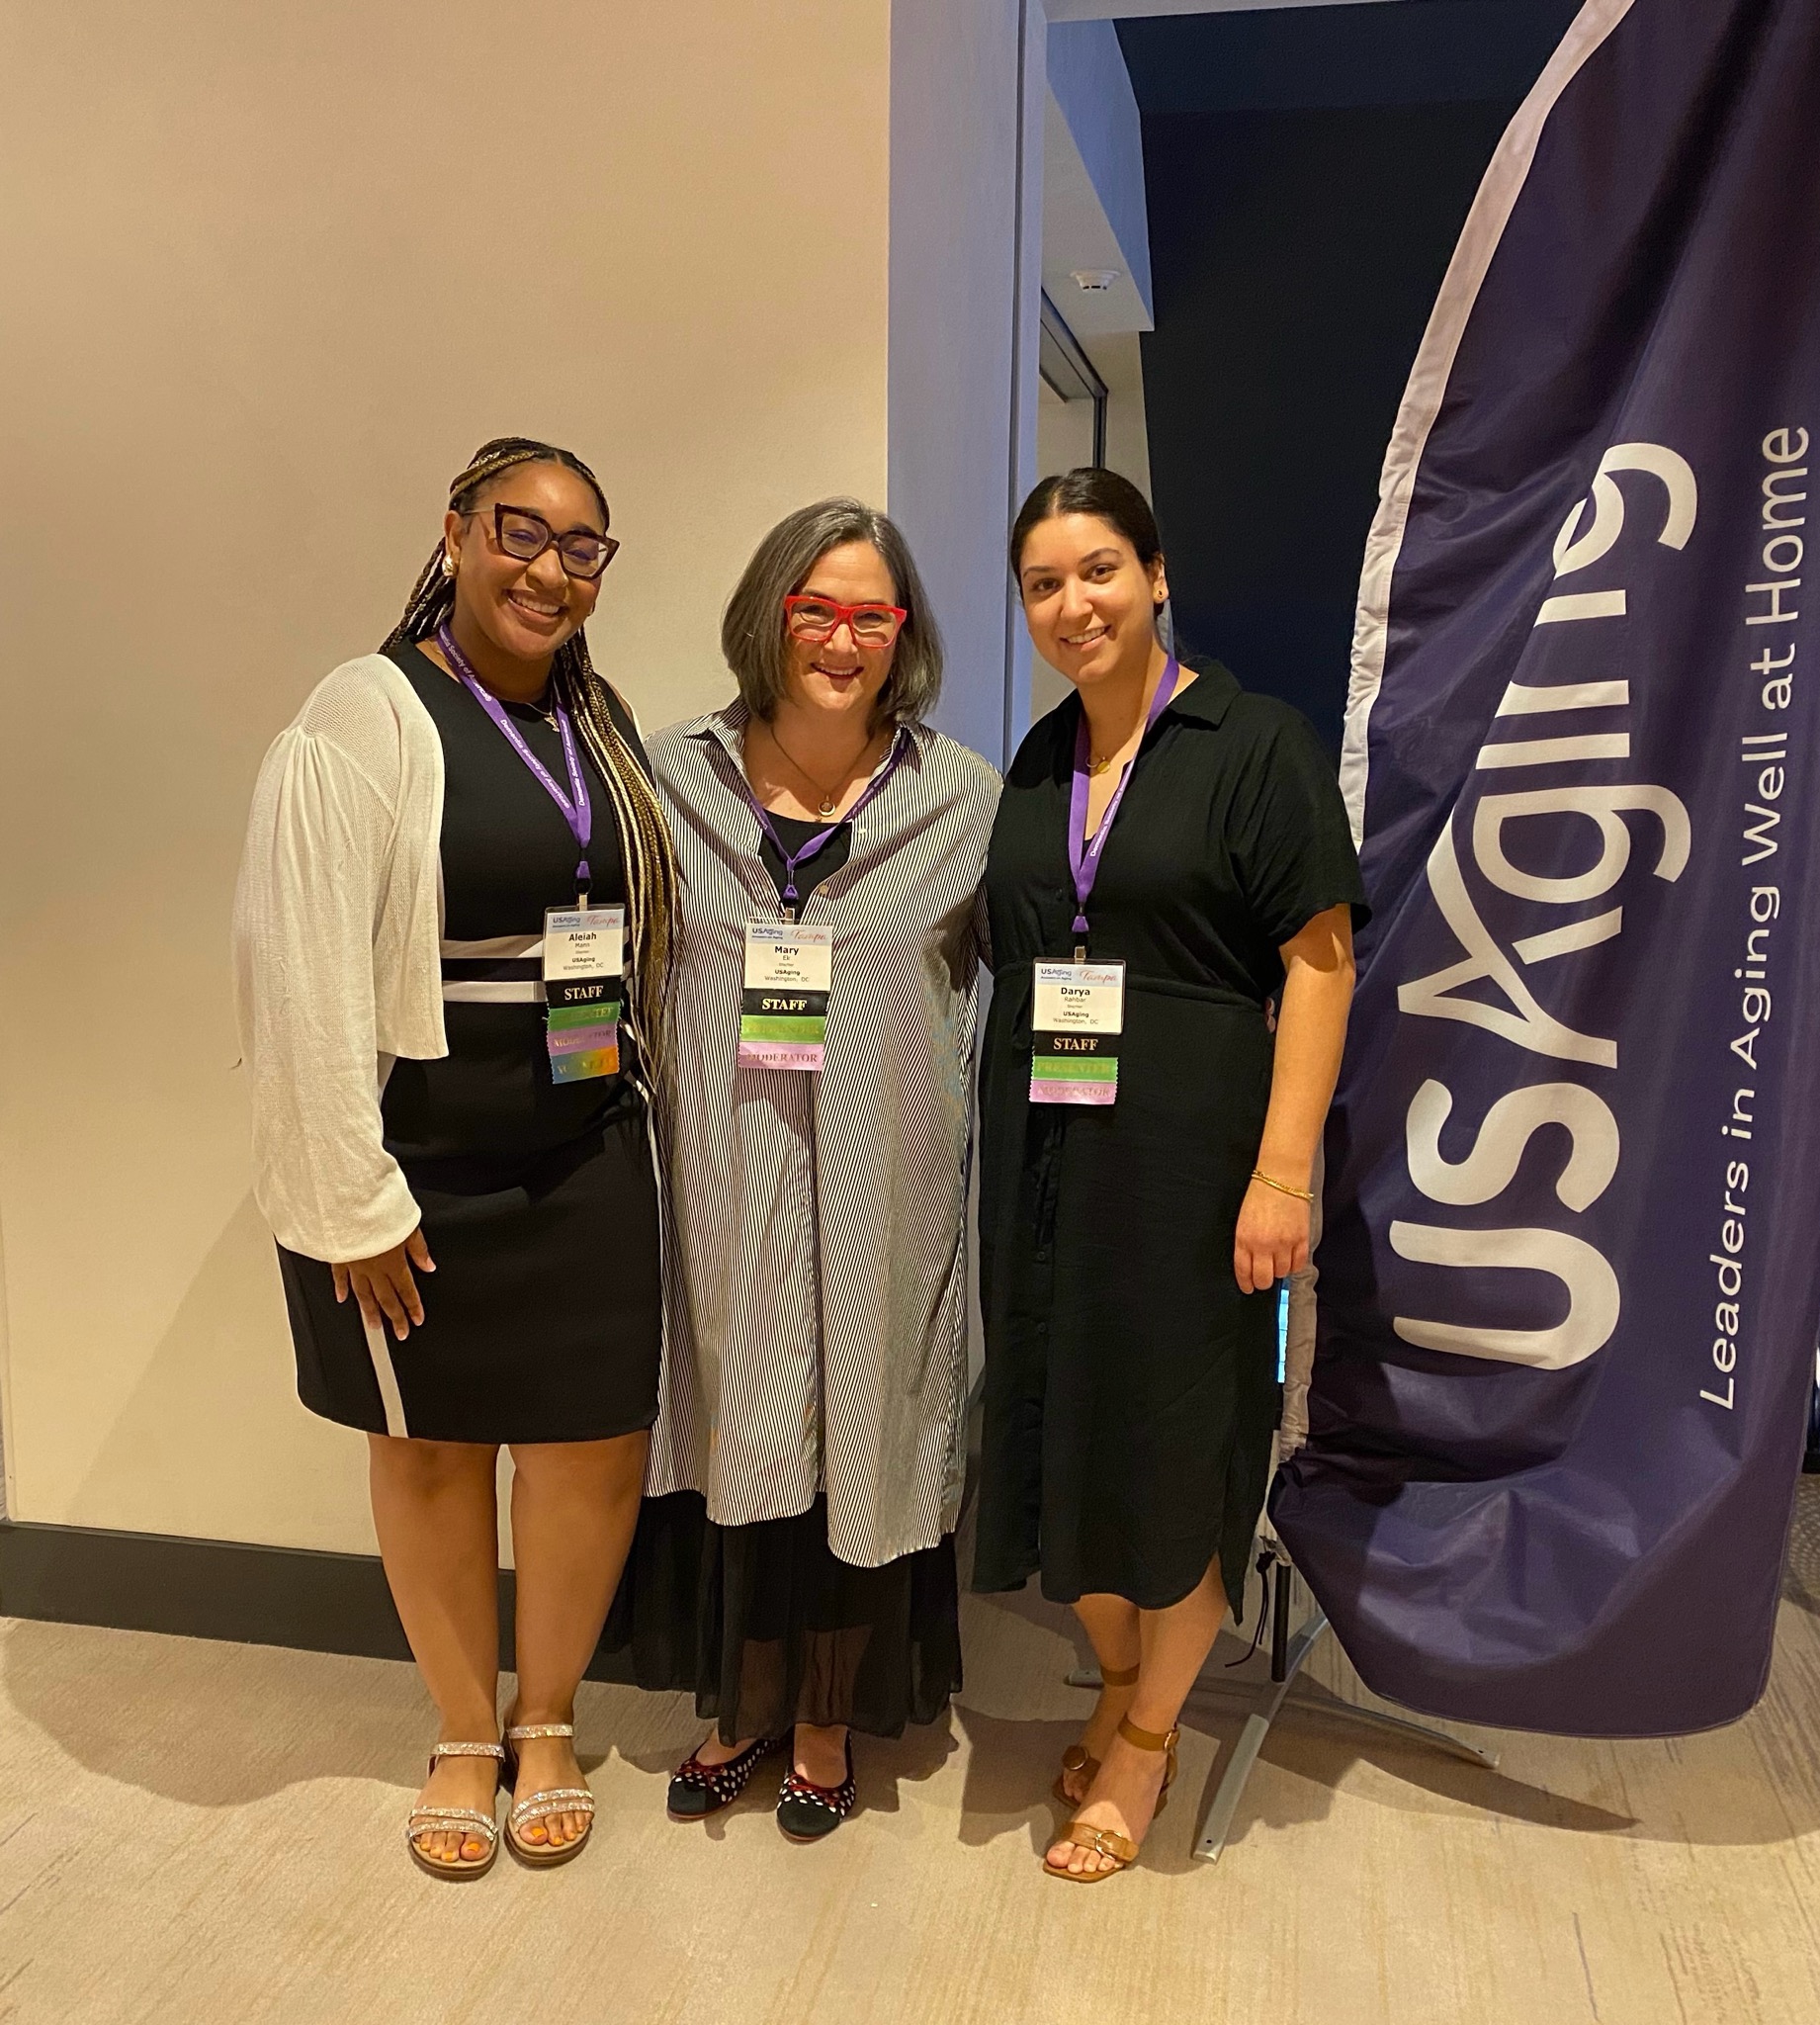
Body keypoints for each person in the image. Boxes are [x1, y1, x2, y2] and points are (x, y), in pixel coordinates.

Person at [233, 437, 680, 1880]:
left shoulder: (594, 723)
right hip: (419, 1163)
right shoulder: (367, 713)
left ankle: (547, 1718)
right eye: (520, 532)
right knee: (429, 1451)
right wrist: (346, 1197)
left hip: (589, 1141)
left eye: (581, 547)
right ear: (454, 533)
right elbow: (293, 965)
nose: (549, 568)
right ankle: (463, 1732)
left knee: (589, 1448)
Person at [973, 468, 1364, 1881]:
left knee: (1171, 1449)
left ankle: (1145, 1739)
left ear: (1154, 576)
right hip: (1042, 1159)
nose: (1070, 604)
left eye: (1095, 571)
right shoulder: (1033, 763)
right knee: (1059, 1438)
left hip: (1194, 1160)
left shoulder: (1250, 742)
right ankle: (1125, 1685)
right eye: (1040, 583)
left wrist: (1281, 1175)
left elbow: (1317, 963)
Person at [608, 499, 997, 1840]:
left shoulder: (962, 800)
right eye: (814, 609)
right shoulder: (669, 781)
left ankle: (824, 1718)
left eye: (869, 615)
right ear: (769, 615)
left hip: (884, 1192)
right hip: (728, 1186)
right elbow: (582, 944)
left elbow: (1056, 964)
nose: (841, 639)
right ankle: (741, 1707)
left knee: (861, 1449)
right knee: (740, 1433)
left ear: (903, 637)